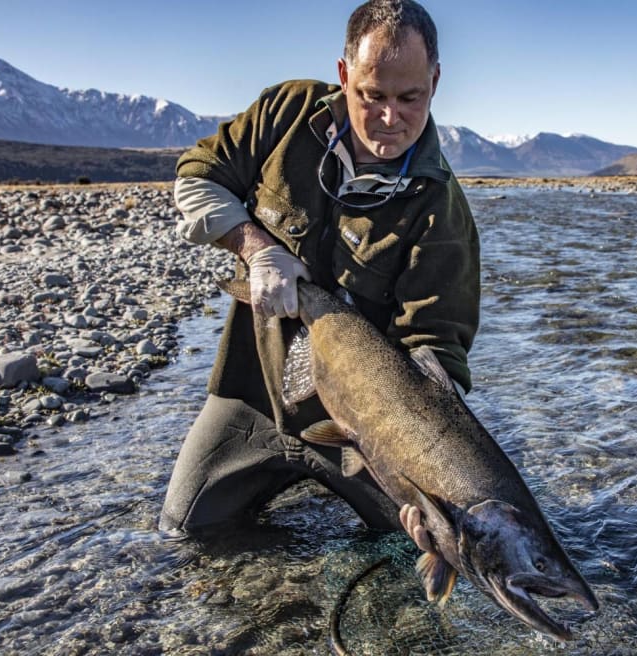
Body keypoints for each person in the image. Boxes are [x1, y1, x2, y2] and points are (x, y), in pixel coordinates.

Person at [159, 0, 480, 536]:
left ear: (436, 81)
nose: (389, 117)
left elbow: (437, 358)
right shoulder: (284, 115)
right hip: (253, 394)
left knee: (429, 547)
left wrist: (425, 473)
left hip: (362, 436)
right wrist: (256, 247)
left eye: (410, 98)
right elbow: (197, 176)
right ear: (343, 74)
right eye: (371, 95)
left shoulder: (442, 213)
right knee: (183, 532)